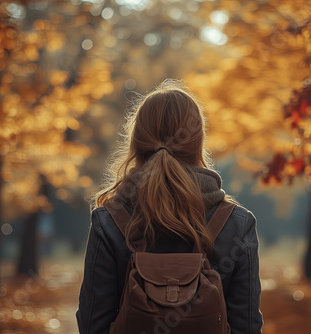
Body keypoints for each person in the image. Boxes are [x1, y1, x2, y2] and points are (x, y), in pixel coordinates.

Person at [76, 79, 263, 334]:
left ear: (137, 141)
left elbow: (92, 326)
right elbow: (247, 327)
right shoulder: (237, 223)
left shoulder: (109, 221)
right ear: (197, 142)